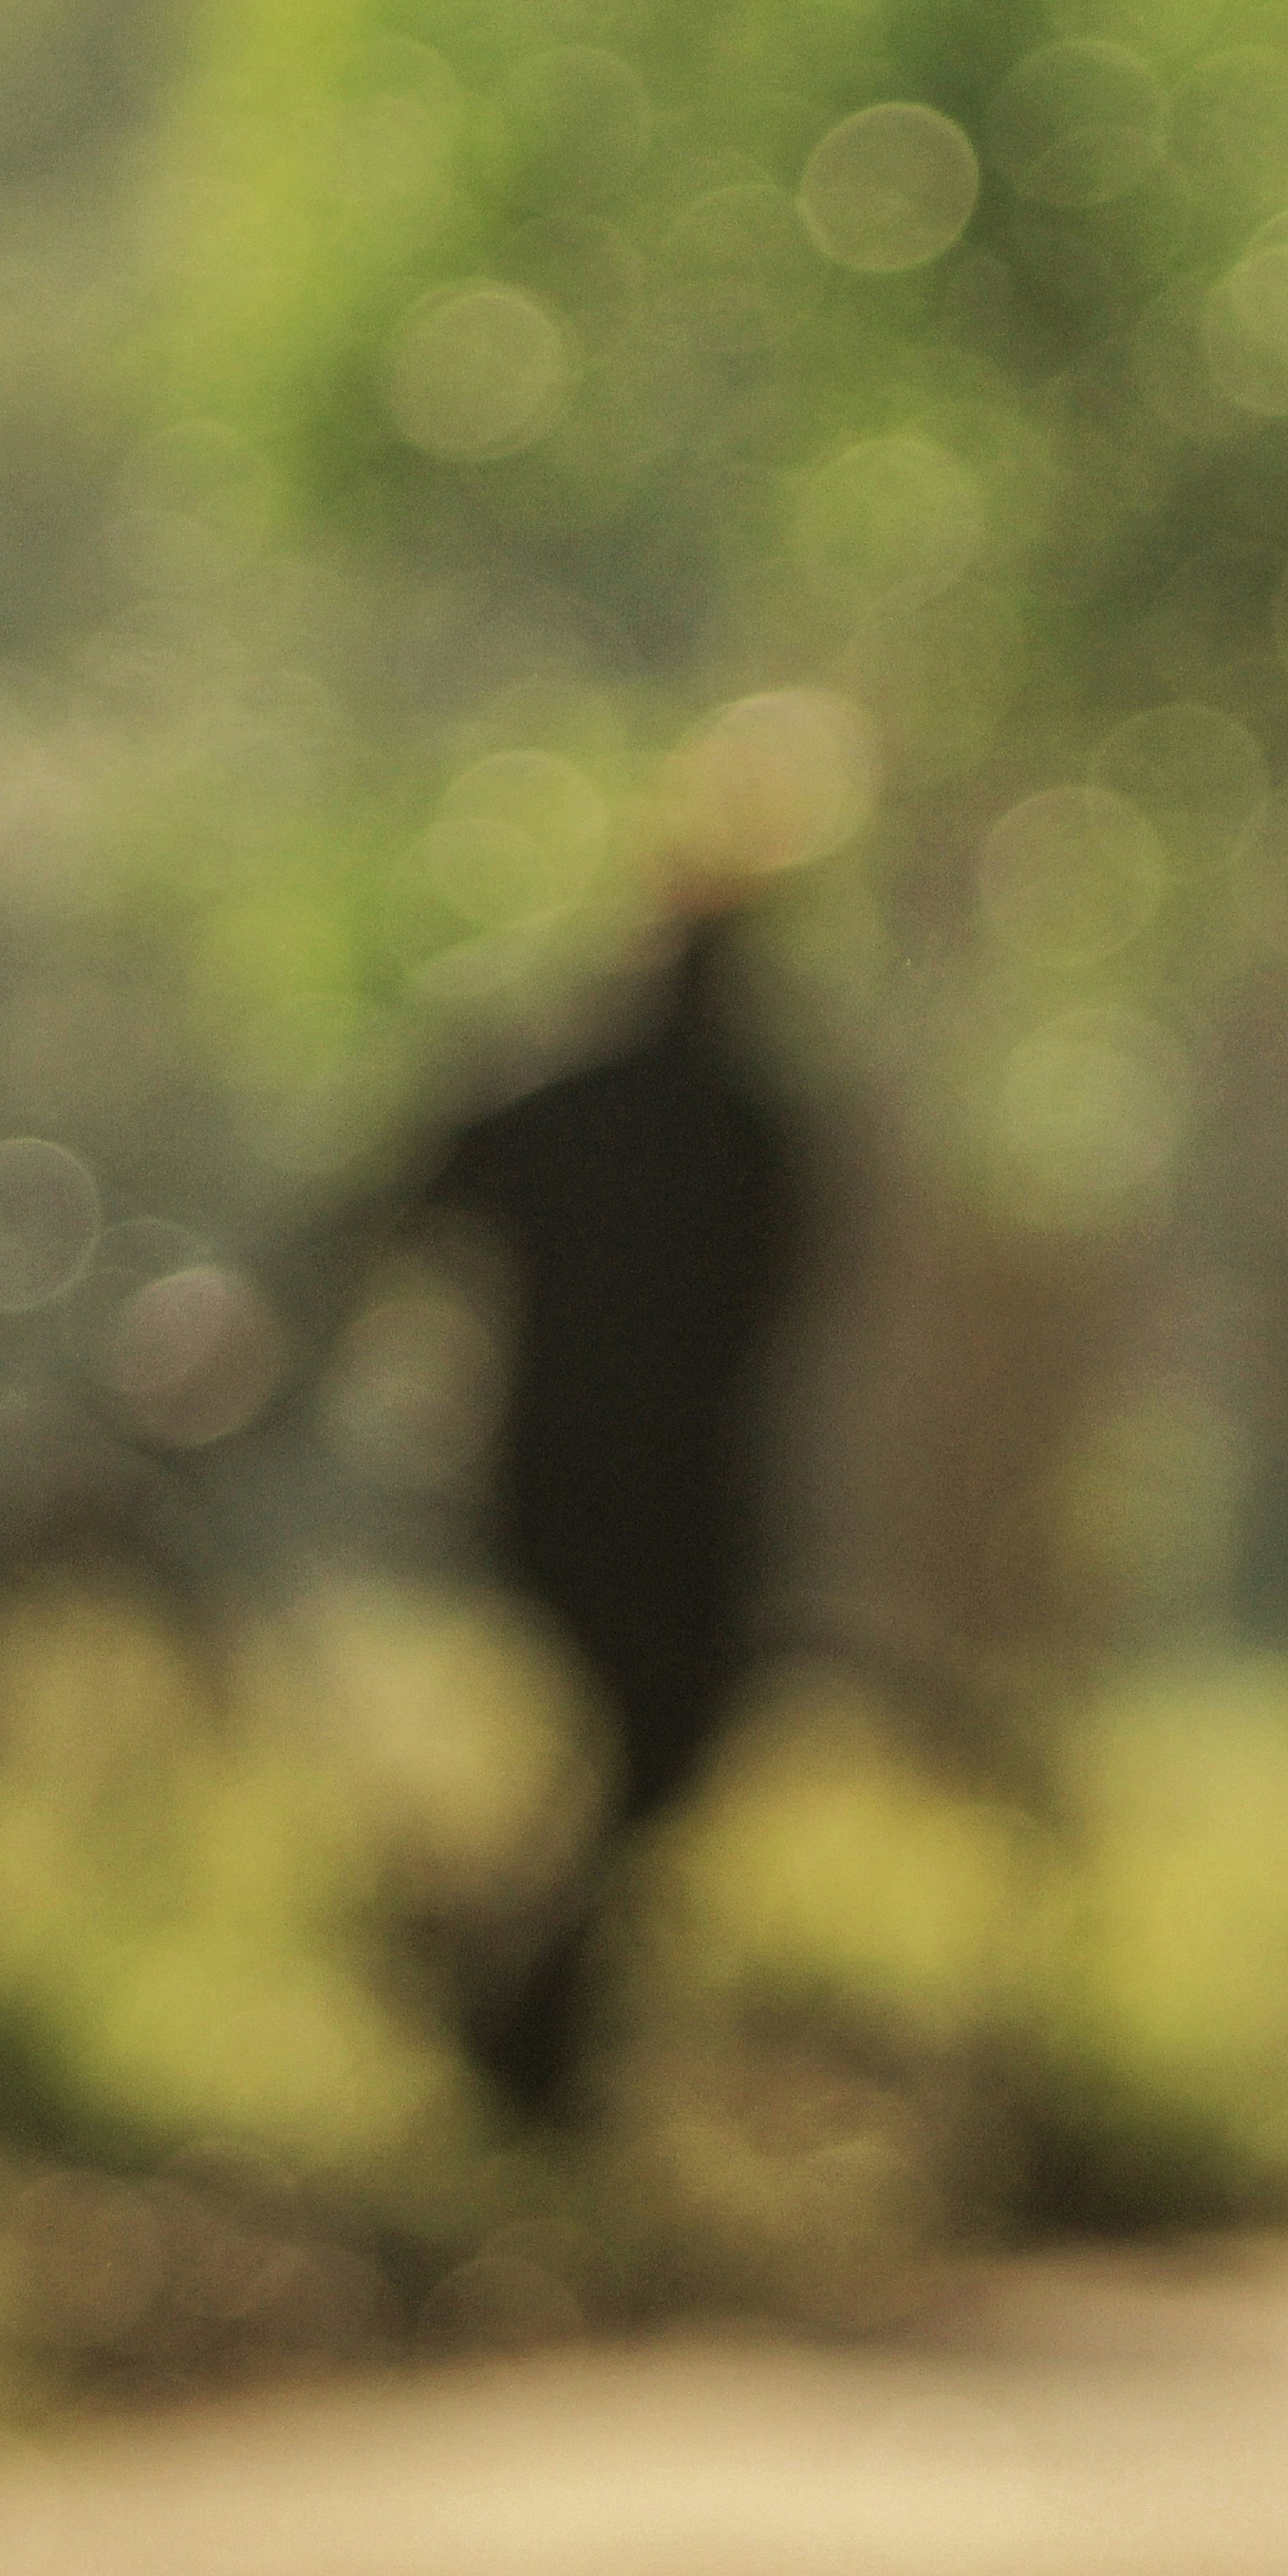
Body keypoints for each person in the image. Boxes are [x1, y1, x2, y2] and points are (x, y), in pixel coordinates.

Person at [421, 905, 813, 2130]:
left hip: (555, 1488)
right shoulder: (749, 1129)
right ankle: (530, 2009)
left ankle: (531, 2007)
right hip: (672, 1504)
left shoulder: (564, 1106)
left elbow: (396, 1212)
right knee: (651, 1751)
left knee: (637, 1756)